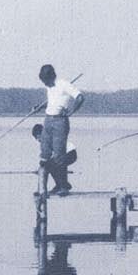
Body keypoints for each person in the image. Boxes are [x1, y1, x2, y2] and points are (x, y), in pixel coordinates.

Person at [37, 63, 82, 194]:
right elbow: (52, 102)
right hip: (48, 119)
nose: (45, 83)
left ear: (51, 76)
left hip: (60, 121)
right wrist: (39, 107)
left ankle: (63, 187)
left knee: (59, 154)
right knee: (45, 154)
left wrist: (70, 112)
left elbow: (80, 98)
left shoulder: (63, 84)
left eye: (45, 80)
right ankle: (51, 186)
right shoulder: (49, 87)